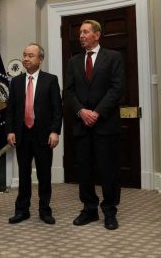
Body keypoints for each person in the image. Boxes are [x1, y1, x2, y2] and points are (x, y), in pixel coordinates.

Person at [65, 20, 124, 230]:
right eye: (80, 32)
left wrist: (97, 112)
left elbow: (117, 89)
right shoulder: (74, 61)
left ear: (97, 35)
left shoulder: (114, 57)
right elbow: (69, 92)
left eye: (85, 32)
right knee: (84, 170)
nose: (81, 35)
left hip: (105, 124)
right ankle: (89, 209)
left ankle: (109, 211)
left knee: (108, 170)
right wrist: (81, 111)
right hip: (82, 125)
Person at [6, 43, 63, 225]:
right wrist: (10, 131)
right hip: (22, 134)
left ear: (40, 59)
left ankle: (45, 210)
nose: (26, 58)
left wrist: (55, 131)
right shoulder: (15, 81)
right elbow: (11, 110)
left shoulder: (50, 80)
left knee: (44, 175)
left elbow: (57, 109)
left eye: (31, 55)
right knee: (23, 175)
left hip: (44, 135)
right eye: (24, 55)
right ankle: (22, 210)